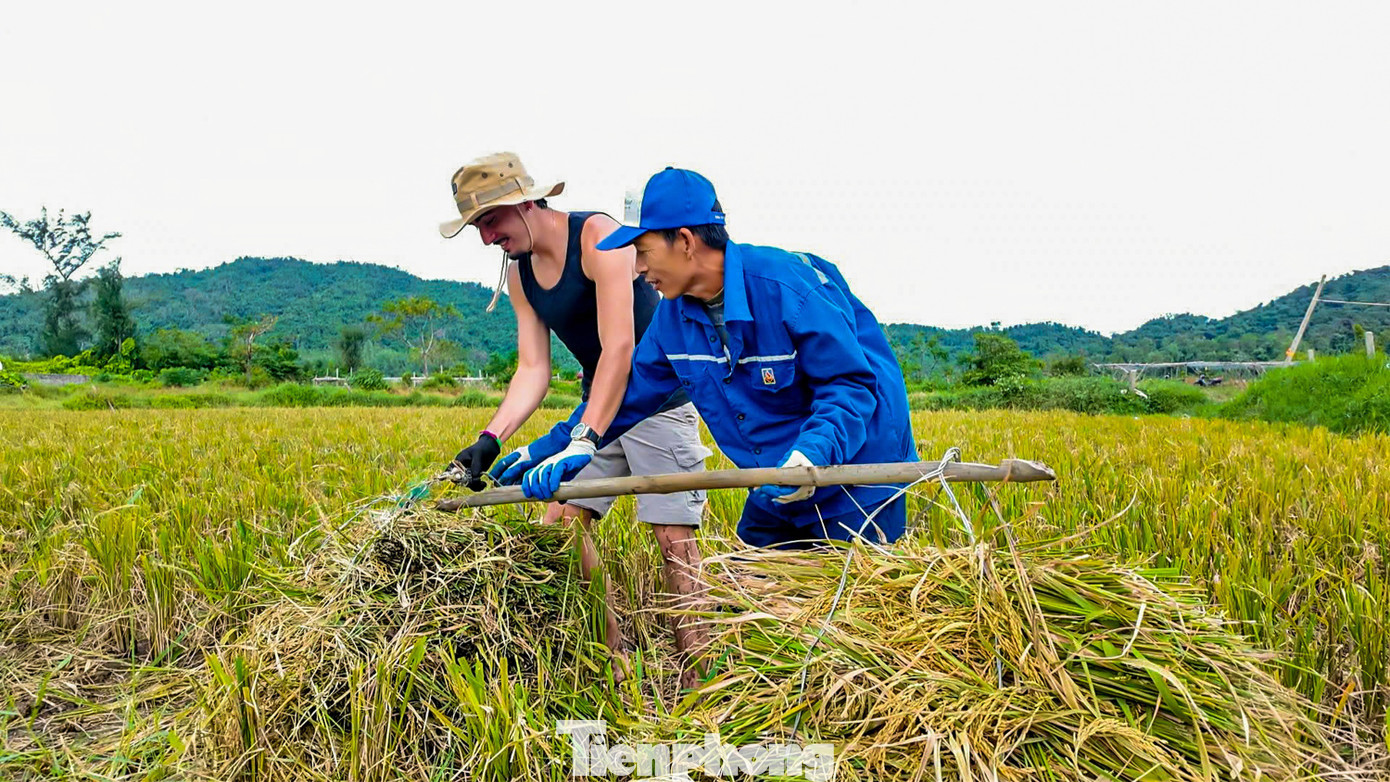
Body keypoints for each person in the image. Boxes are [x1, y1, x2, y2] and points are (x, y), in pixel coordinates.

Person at [494, 167, 917, 550]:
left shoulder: (787, 288)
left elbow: (850, 387)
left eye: (643, 251)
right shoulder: (674, 318)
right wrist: (555, 446)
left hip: (852, 475)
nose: (637, 268)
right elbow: (630, 393)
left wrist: (810, 457)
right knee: (752, 608)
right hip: (773, 479)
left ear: (685, 241)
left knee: (832, 618)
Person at [439, 153, 710, 686]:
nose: (486, 237)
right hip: (597, 406)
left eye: (489, 221)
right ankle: (617, 662)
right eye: (477, 227)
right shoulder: (520, 275)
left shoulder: (597, 238)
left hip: (657, 404)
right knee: (560, 527)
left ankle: (705, 677)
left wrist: (584, 436)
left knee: (673, 540)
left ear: (522, 202)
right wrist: (490, 439)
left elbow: (619, 350)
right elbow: (533, 369)